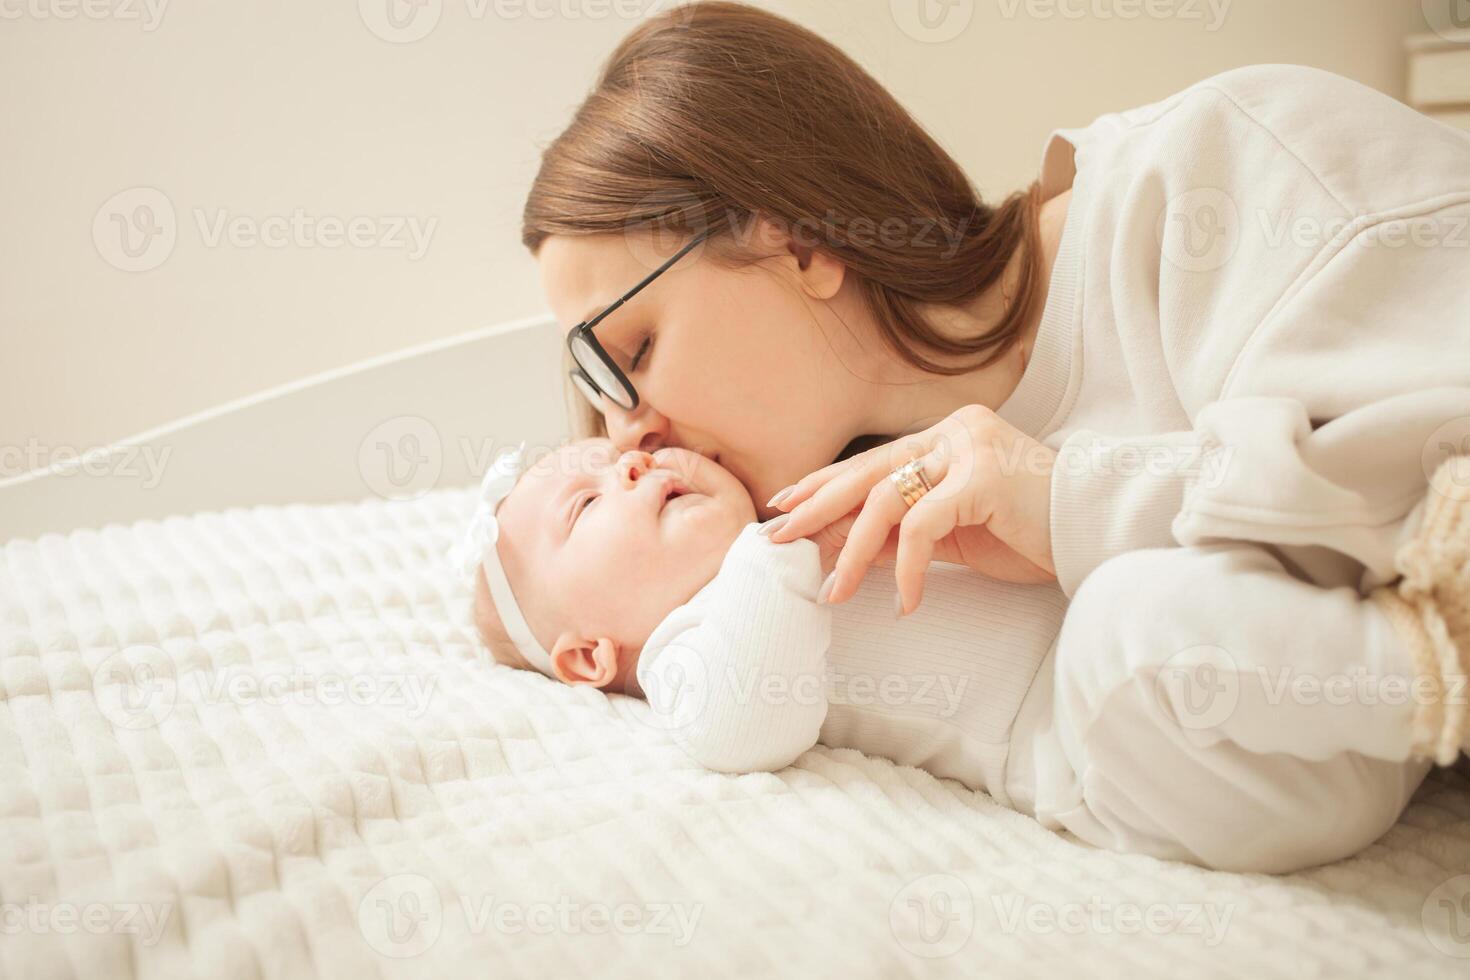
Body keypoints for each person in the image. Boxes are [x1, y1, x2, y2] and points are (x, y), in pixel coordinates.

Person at [518, 2, 1470, 870]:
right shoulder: (854, 551)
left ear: (803, 245)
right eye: (593, 389)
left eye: (631, 349)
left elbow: (1440, 517)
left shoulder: (1223, 176)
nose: (629, 436)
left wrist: (1067, 500)